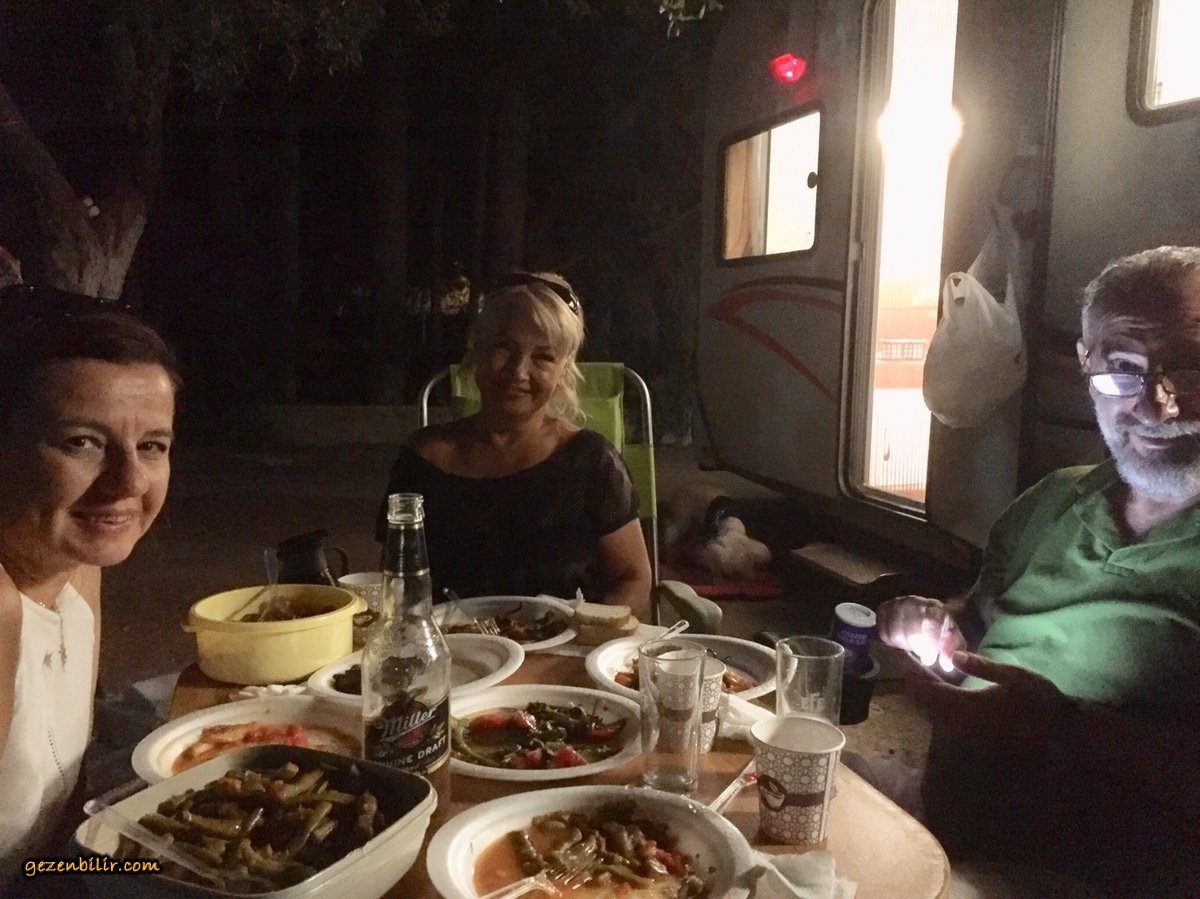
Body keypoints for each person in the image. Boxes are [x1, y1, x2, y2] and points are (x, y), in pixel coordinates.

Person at [875, 246, 1200, 896]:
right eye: (1123, 370)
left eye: (1191, 366)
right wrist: (936, 622)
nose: (1157, 406)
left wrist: (1058, 728)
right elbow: (978, 613)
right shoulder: (1055, 499)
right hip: (943, 827)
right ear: (1085, 365)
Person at [0, 287, 178, 877]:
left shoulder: (77, 568)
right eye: (83, 442)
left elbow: (62, 814)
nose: (130, 481)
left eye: (151, 446)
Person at [378, 271, 652, 617]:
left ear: (563, 370)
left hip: (564, 645)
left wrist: (585, 634)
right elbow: (394, 581)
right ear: (476, 348)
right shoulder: (423, 460)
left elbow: (634, 578)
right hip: (451, 647)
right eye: (503, 347)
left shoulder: (592, 463)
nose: (518, 372)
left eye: (543, 356)